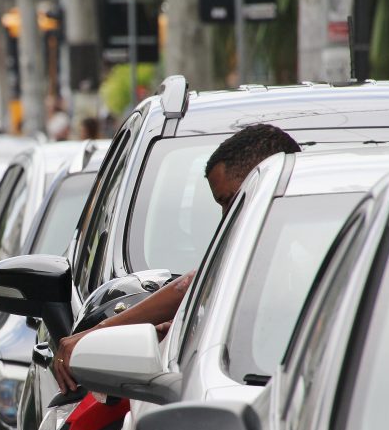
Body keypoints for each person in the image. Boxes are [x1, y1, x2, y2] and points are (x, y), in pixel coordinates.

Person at [53, 123, 302, 393]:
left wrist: (94, 334)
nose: (227, 218)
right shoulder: (264, 248)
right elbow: (198, 285)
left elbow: (197, 284)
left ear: (263, 179)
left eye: (230, 200)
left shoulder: (308, 250)